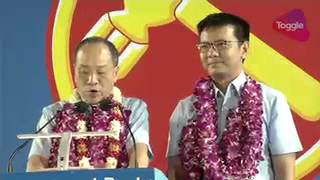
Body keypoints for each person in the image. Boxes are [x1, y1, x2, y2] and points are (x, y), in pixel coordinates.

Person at [166, 13, 302, 180]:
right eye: (205, 46)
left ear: (244, 49)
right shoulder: (186, 108)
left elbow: (285, 171)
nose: (212, 53)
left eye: (222, 44)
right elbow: (175, 171)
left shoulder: (272, 101)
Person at [27, 37, 152, 171]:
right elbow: (36, 163)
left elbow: (138, 156)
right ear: (75, 72)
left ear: (115, 74)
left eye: (101, 72)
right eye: (84, 72)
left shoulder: (133, 109)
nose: (92, 80)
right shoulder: (53, 113)